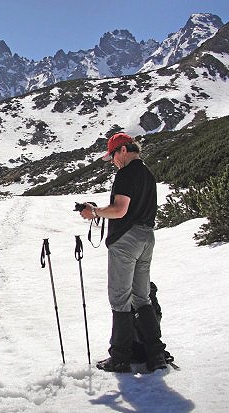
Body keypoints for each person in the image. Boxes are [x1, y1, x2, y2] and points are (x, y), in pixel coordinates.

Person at [79, 132, 167, 372]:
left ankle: (120, 356)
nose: (113, 162)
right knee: (142, 297)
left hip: (126, 241)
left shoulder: (126, 173)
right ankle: (156, 353)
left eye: (113, 156)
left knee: (120, 297)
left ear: (123, 150)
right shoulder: (147, 173)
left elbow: (119, 210)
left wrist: (94, 212)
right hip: (147, 237)